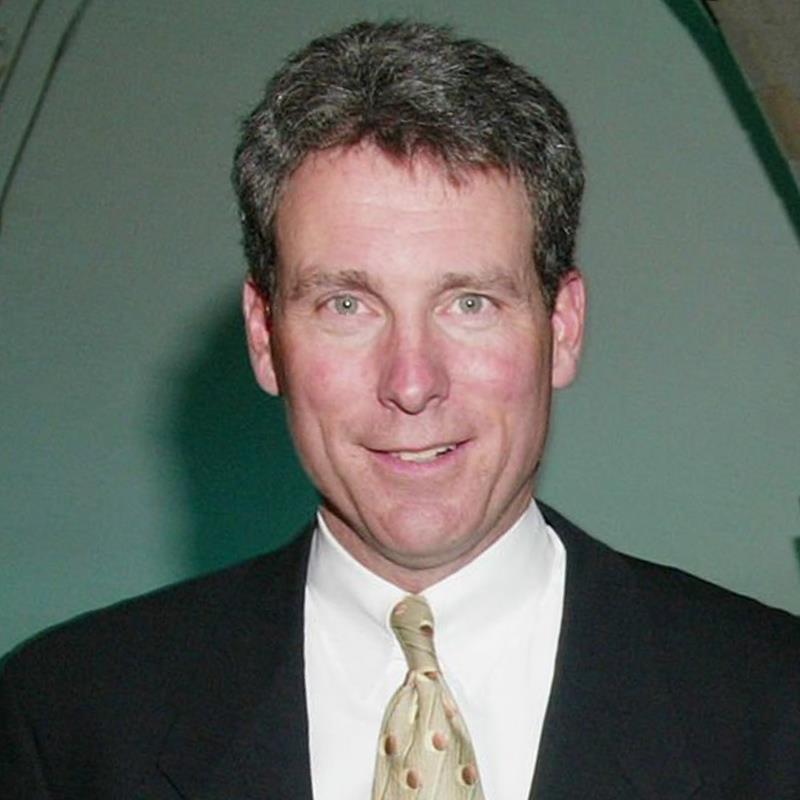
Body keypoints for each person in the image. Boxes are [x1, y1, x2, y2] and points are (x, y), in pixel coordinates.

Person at [1, 19, 798, 800]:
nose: (411, 383)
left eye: (470, 303)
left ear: (562, 328)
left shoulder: (776, 707)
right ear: (265, 336)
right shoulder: (63, 724)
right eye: (347, 305)